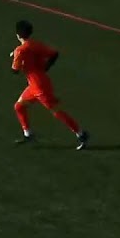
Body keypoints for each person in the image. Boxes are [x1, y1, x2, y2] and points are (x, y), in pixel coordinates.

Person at [10, 20, 89, 149]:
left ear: (18, 35)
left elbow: (14, 71)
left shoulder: (20, 50)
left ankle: (81, 134)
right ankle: (28, 134)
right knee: (19, 106)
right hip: (38, 84)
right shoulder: (35, 44)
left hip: (39, 88)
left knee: (56, 111)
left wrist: (14, 57)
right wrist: (46, 67)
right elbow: (54, 54)